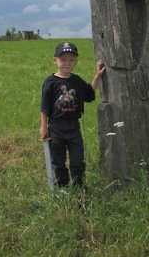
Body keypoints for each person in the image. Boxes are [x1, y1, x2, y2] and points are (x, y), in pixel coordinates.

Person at [40, 42, 105, 189]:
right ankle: (62, 186)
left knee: (77, 160)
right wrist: (44, 127)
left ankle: (79, 187)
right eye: (63, 59)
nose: (67, 63)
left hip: (73, 127)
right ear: (55, 60)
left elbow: (88, 93)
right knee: (58, 160)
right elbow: (44, 108)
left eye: (71, 60)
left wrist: (98, 76)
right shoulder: (50, 82)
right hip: (56, 127)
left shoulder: (76, 81)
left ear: (76, 62)